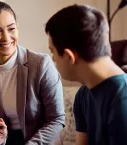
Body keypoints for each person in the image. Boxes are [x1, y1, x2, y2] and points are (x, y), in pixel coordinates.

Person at [0, 1, 65, 145]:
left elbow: (57, 119)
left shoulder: (41, 64)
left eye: (11, 29)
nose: (6, 38)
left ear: (17, 28)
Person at [45, 4, 127, 145]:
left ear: (69, 56)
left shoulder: (122, 99)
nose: (52, 59)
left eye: (53, 52)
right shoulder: (83, 95)